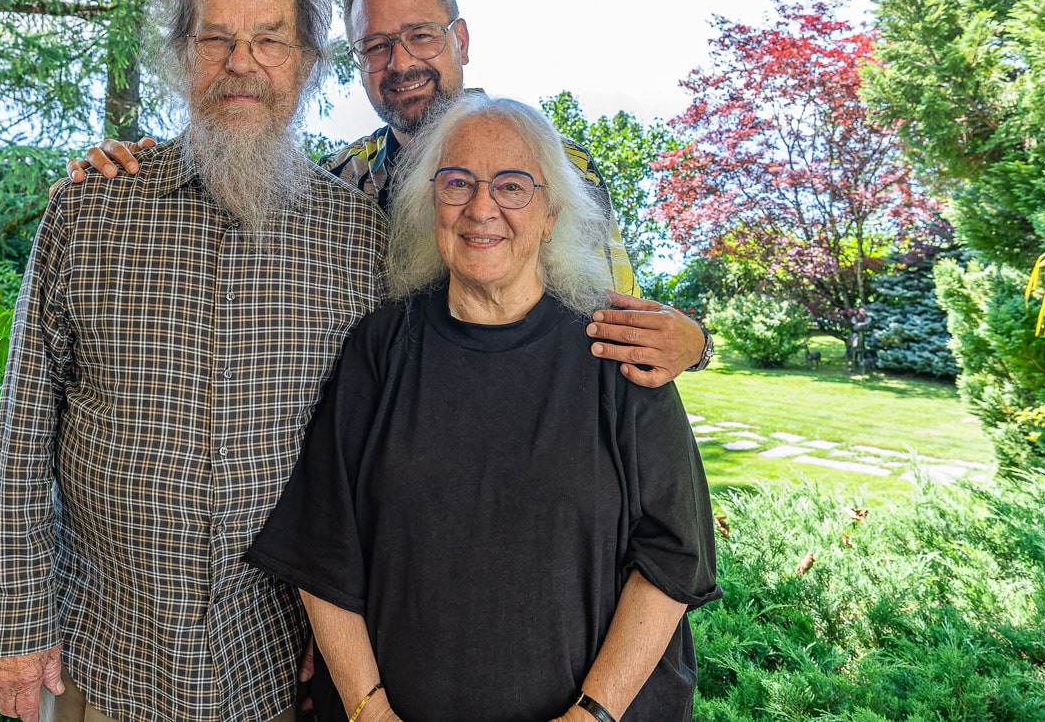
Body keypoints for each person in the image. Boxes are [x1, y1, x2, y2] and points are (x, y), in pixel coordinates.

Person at [0, 0, 387, 722]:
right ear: (179, 55)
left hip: (279, 658)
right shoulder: (90, 208)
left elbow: (381, 453)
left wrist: (353, 619)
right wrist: (13, 620)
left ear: (306, 62)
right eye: (216, 39)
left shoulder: (359, 236)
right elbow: (24, 423)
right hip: (103, 653)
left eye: (269, 41)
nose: (241, 63)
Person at [246, 94, 721, 722]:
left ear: (552, 211)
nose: (480, 207)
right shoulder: (380, 348)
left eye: (512, 186)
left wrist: (591, 715)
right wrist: (368, 710)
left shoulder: (619, 348)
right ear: (430, 202)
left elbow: (673, 557)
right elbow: (320, 546)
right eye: (457, 182)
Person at [67, 0, 712, 389]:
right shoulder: (339, 180)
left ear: (460, 39)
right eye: (375, 46)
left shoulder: (552, 173)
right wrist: (141, 165)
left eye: (420, 36)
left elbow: (625, 330)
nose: (400, 63)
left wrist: (696, 343)